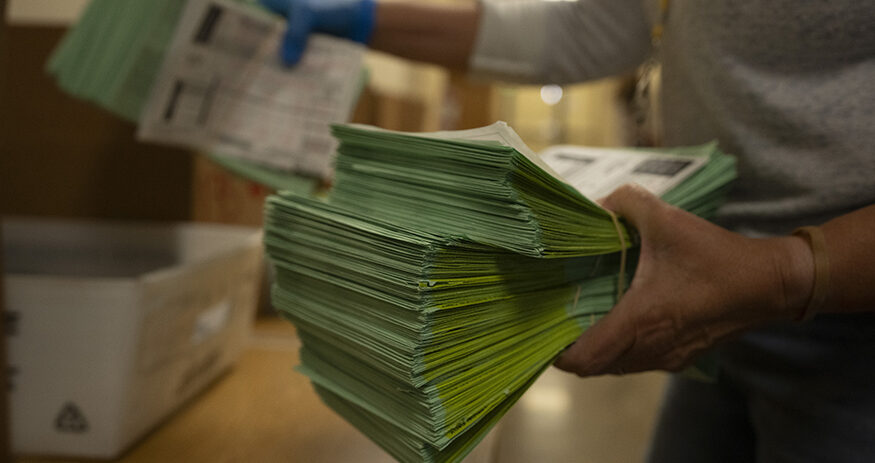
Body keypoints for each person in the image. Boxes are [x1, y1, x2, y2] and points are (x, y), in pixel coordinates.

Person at [261, 0, 875, 461]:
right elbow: (596, 26)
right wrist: (366, 17)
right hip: (711, 298)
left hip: (850, 324)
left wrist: (788, 271)